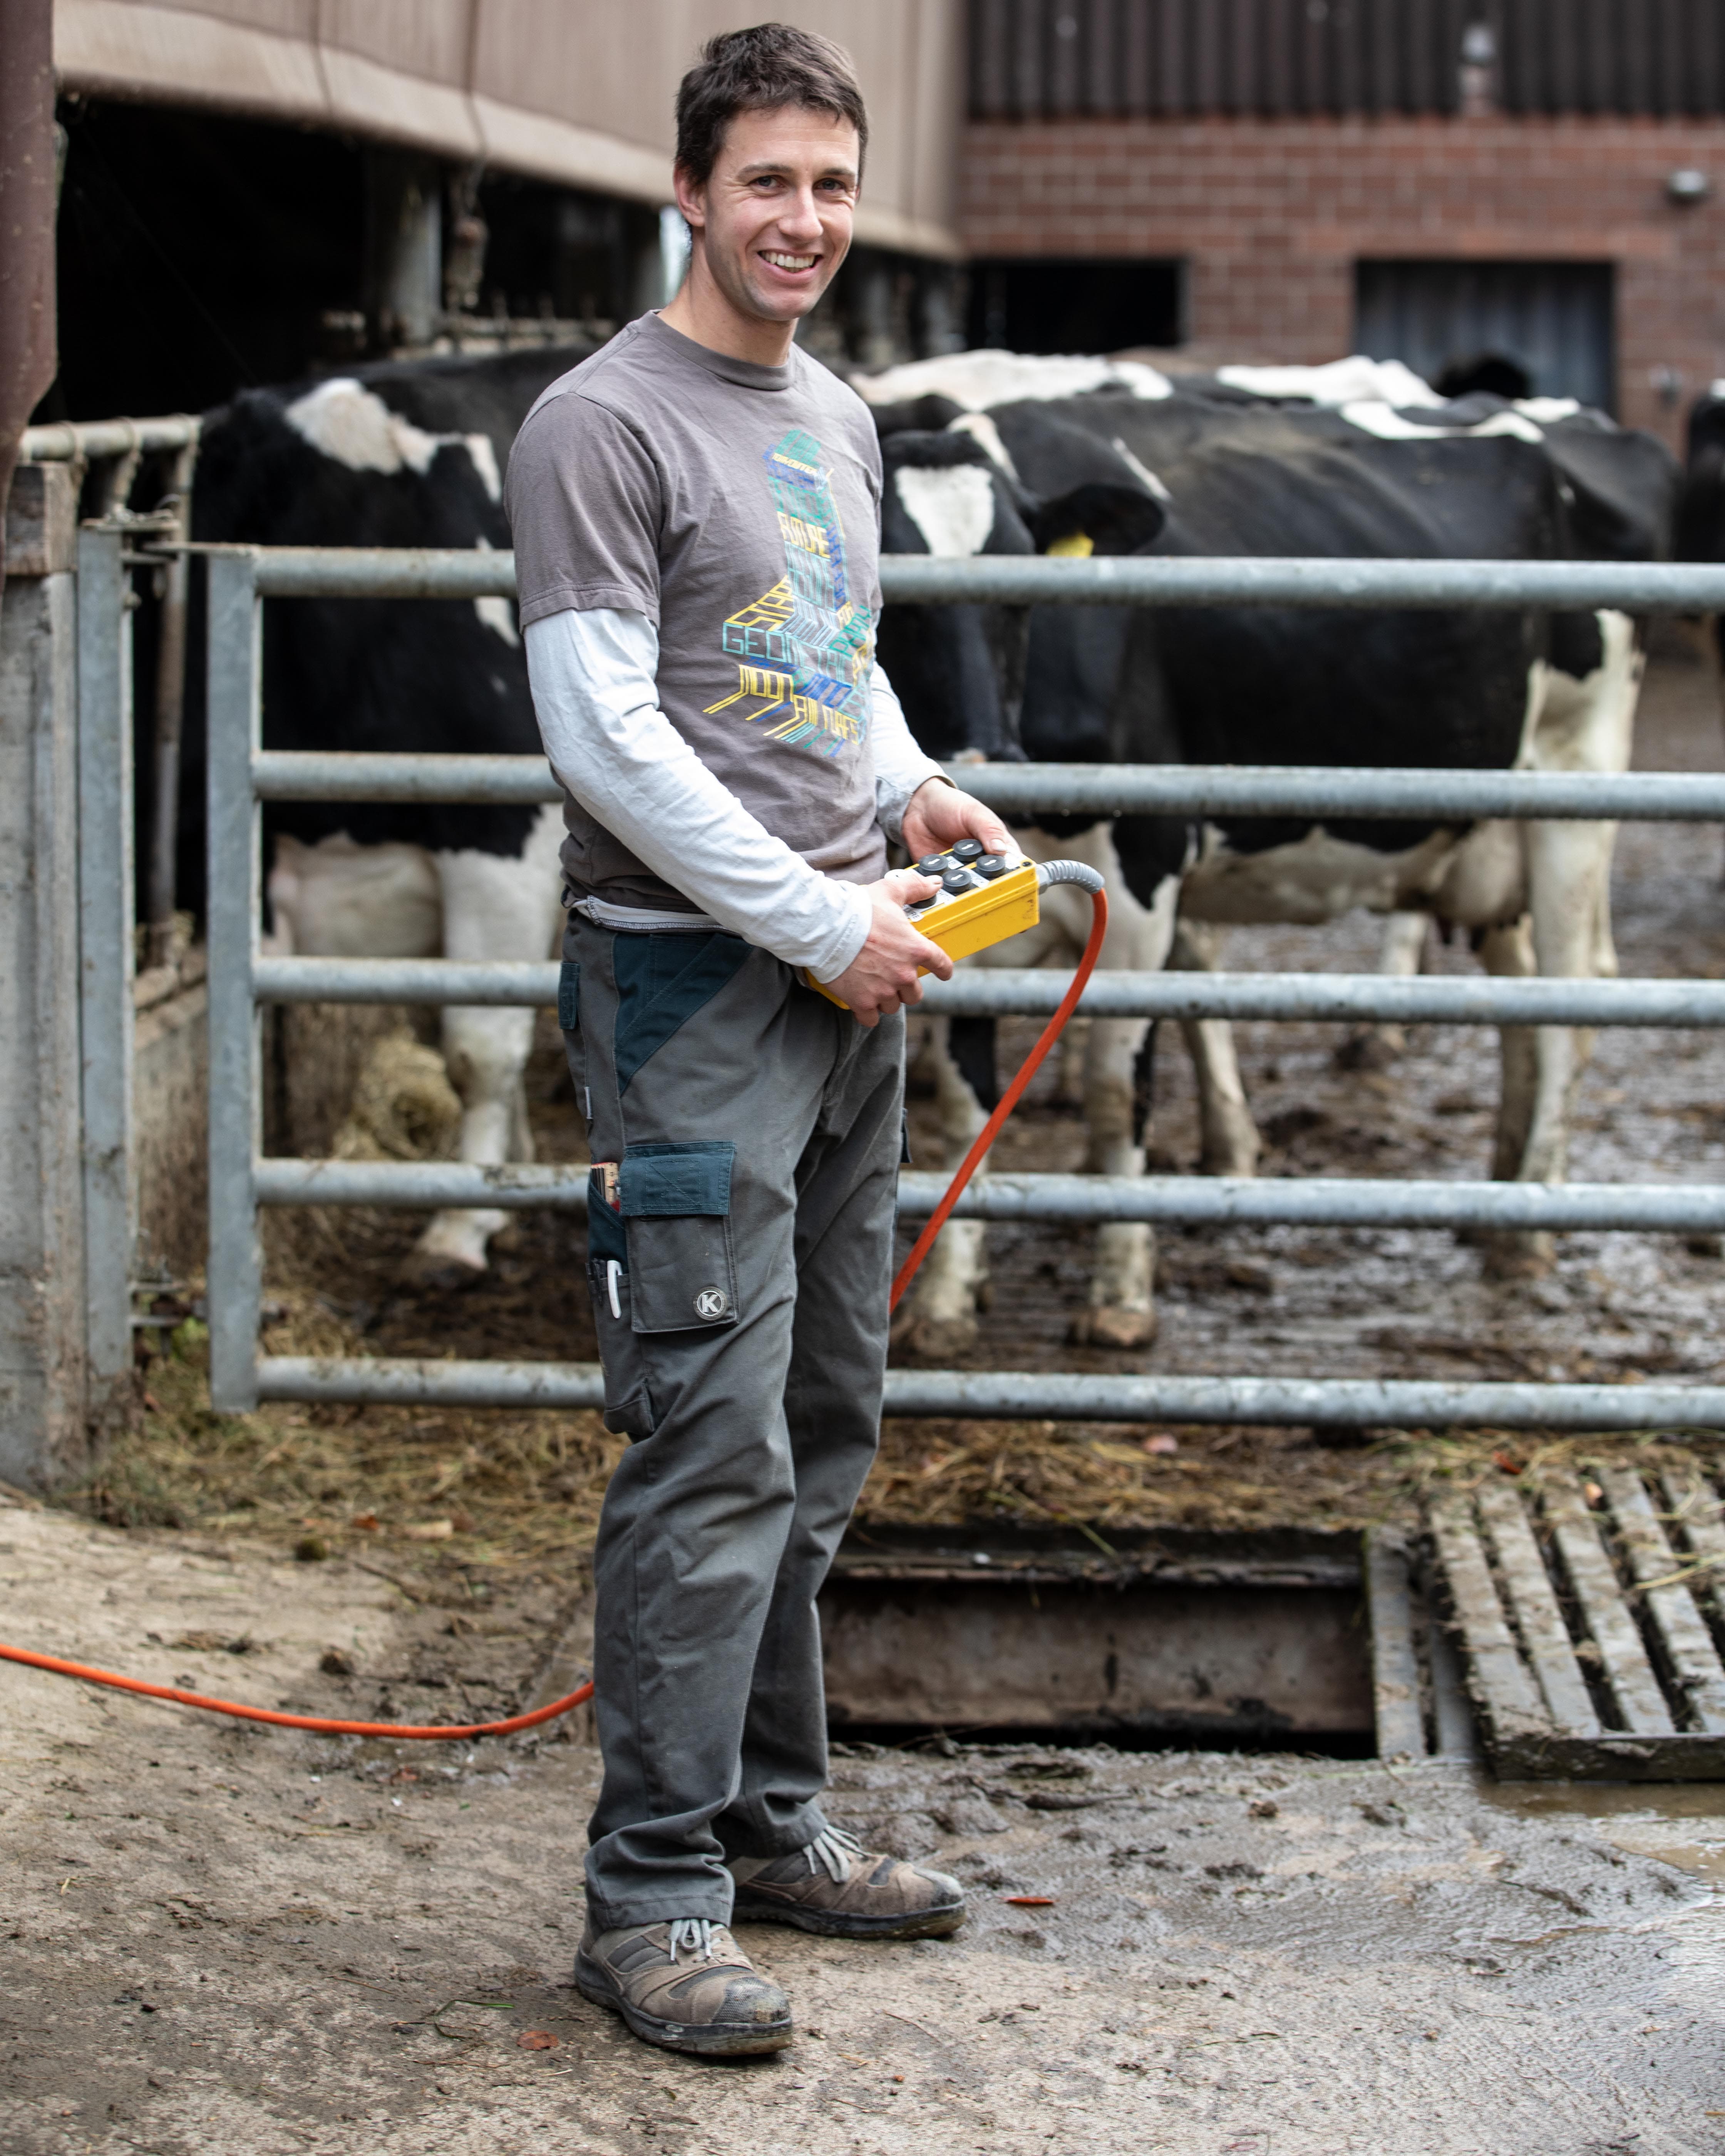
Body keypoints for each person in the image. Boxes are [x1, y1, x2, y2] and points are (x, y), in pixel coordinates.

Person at [504, 24, 1013, 2059]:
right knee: (706, 1454)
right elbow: (602, 734)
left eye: (830, 184)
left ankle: (772, 1824)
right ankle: (651, 1905)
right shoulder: (596, 426)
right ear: (691, 191)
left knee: (817, 1426)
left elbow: (827, 652)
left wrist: (907, 796)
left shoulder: (833, 417)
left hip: (848, 966)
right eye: (767, 183)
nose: (802, 220)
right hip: (700, 993)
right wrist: (817, 920)